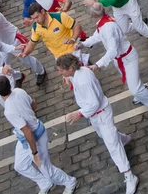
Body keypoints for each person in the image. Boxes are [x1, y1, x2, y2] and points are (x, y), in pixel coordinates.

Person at [57, 54, 139, 194]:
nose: (60, 73)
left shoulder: (83, 81)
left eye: (62, 70)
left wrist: (79, 114)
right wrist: (68, 77)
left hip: (100, 113)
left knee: (112, 145)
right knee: (106, 136)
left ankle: (129, 175)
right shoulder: (81, 71)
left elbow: (94, 103)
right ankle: (123, 139)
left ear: (71, 68)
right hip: (97, 115)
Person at [0, 76, 78, 194]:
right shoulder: (19, 91)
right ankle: (45, 183)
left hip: (34, 138)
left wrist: (35, 153)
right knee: (20, 165)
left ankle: (70, 182)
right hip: (25, 137)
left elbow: (27, 131)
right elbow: (34, 105)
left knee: (47, 169)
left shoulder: (9, 111)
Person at [80, 2, 148, 118]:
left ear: (92, 16)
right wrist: (83, 44)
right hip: (121, 58)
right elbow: (97, 36)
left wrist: (97, 64)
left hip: (127, 58)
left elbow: (112, 50)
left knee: (135, 89)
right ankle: (143, 91)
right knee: (132, 81)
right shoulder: (104, 22)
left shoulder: (107, 27)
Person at [0, 0, 46, 86]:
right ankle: (18, 76)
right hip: (1, 45)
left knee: (26, 59)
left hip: (13, 40)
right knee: (3, 67)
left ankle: (41, 71)